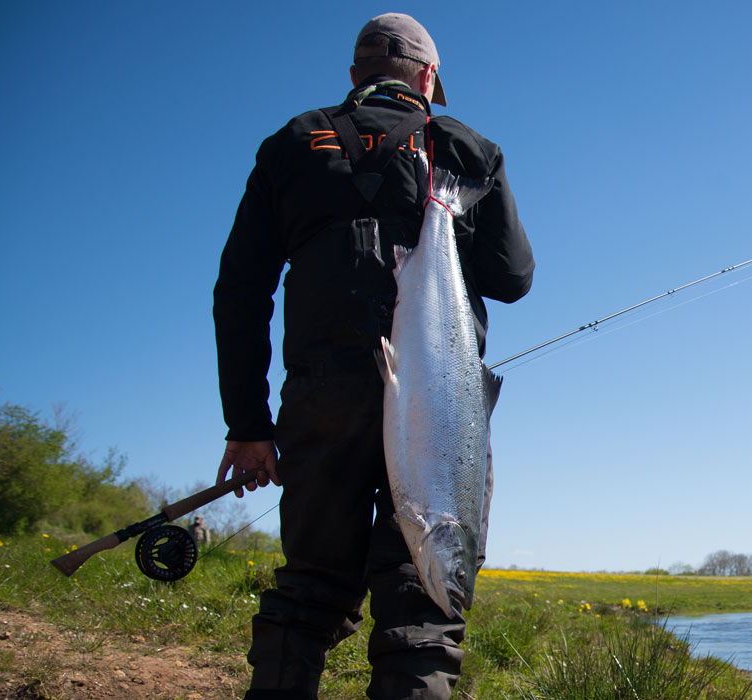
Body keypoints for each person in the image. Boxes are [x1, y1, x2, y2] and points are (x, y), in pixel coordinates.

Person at [212, 13, 534, 699]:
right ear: (426, 77)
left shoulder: (293, 142)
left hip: (322, 396)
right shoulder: (468, 148)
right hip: (440, 399)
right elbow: (514, 279)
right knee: (423, 607)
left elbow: (240, 292)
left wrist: (247, 424)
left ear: (356, 75)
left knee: (308, 587)